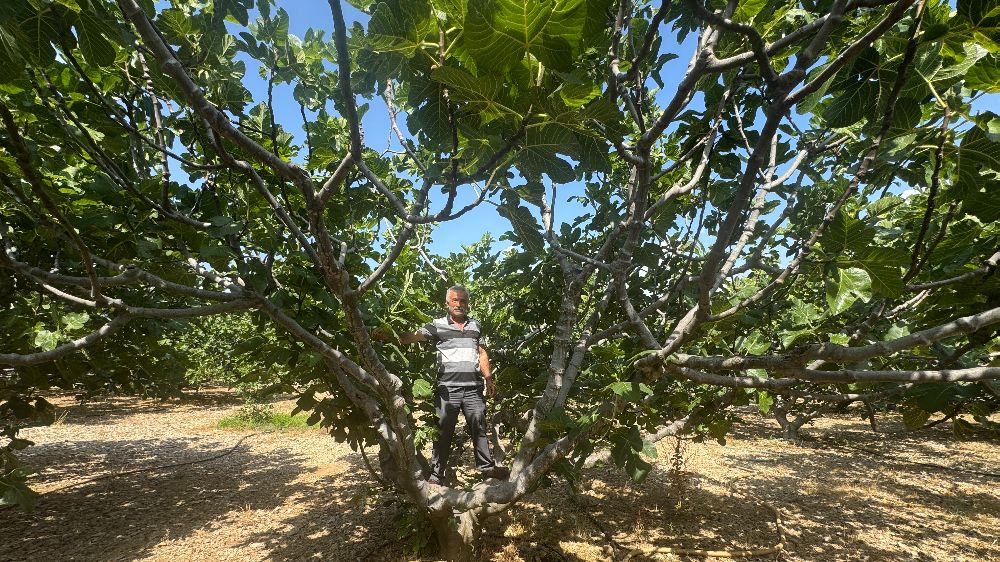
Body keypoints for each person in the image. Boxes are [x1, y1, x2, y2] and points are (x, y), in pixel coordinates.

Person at [378, 285, 509, 485]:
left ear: (468, 304)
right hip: (448, 390)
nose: (459, 304)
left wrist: (488, 378)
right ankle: (436, 475)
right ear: (447, 303)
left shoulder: (476, 326)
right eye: (455, 300)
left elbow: (482, 352)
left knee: (479, 426)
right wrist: (387, 335)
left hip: (473, 387)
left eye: (463, 301)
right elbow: (411, 337)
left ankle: (487, 468)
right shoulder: (437, 325)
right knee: (443, 431)